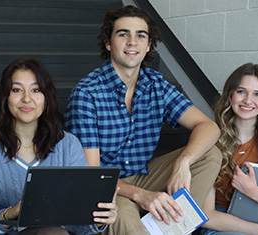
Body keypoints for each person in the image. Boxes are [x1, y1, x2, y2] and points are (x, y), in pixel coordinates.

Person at [64, 5, 223, 235]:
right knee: (121, 218)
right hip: (108, 186)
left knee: (209, 154)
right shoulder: (87, 94)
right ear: (108, 43)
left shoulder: (155, 84)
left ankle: (171, 228)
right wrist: (141, 195)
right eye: (123, 34)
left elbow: (209, 127)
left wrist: (184, 162)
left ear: (148, 45)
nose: (132, 41)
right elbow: (92, 173)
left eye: (141, 35)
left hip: (145, 174)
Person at [0, 57, 119, 235]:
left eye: (36, 90)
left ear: (46, 98)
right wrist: (11, 213)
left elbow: (79, 225)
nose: (27, 99)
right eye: (17, 90)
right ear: (5, 97)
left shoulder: (68, 145)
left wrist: (99, 218)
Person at [200, 63, 258, 235]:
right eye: (241, 91)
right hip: (224, 223)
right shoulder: (210, 139)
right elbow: (207, 215)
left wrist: (253, 191)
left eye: (257, 94)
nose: (248, 100)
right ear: (230, 95)